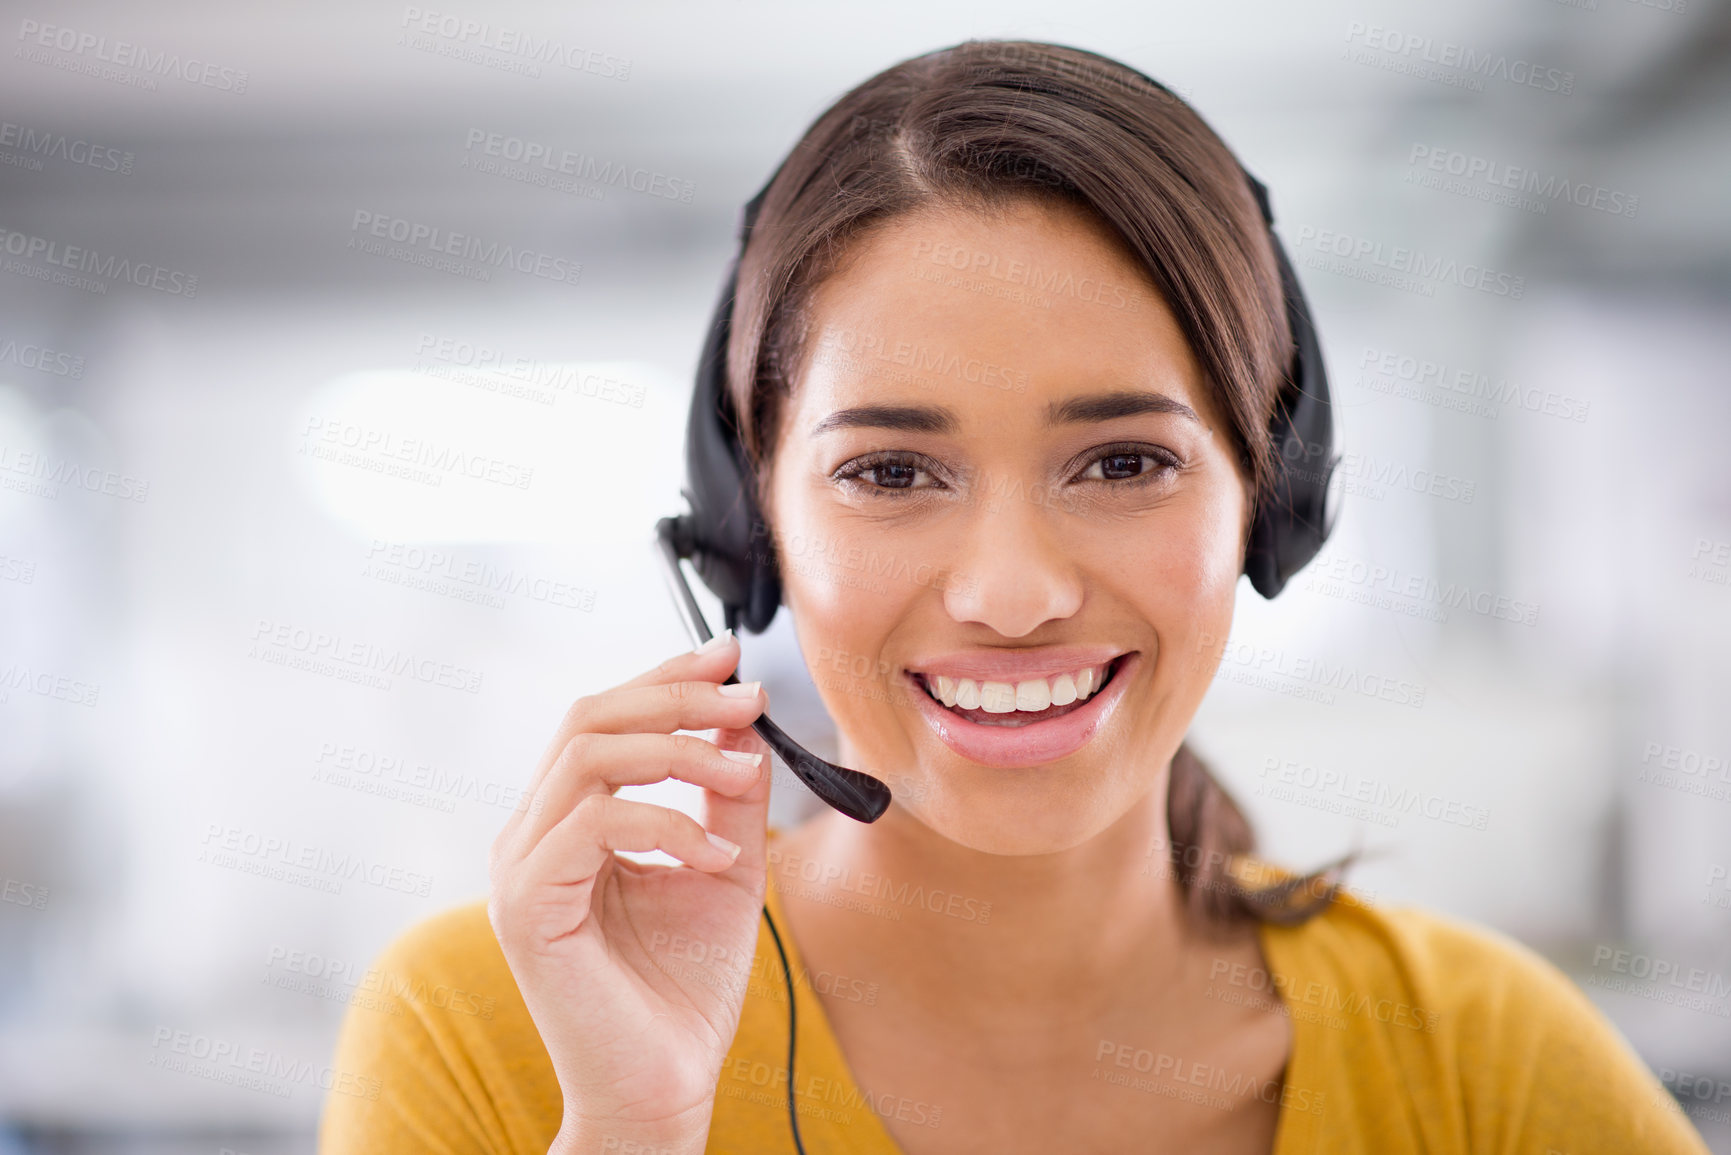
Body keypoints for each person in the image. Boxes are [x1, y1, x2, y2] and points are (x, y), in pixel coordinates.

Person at [318, 41, 1710, 1155]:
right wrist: (631, 1131)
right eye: (890, 471)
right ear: (753, 528)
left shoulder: (1479, 1059)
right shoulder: (500, 1028)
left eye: (1123, 460)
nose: (1013, 593)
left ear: (1267, 501)